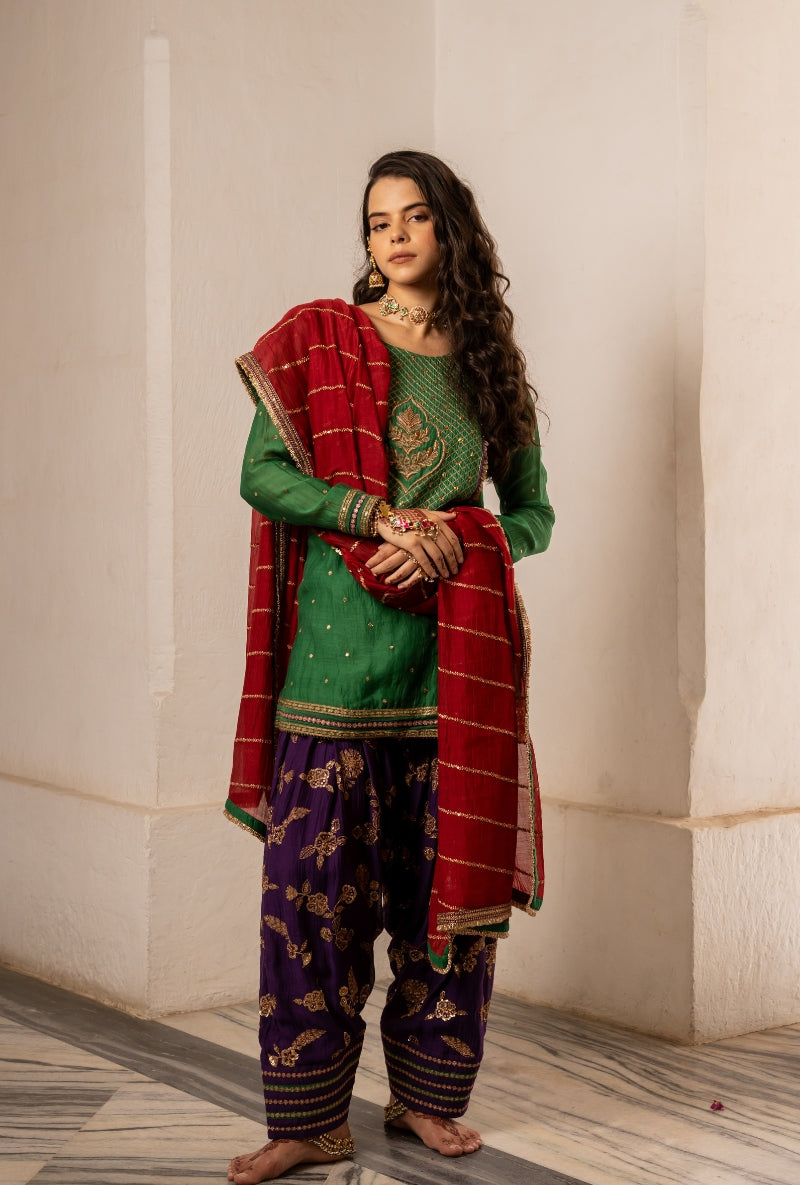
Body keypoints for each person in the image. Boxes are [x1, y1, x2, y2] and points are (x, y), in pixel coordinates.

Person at [225, 149, 554, 1184]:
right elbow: (261, 475)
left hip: (447, 685)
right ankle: (310, 1119)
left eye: (415, 217)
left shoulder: (486, 365)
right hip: (330, 678)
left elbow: (532, 514)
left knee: (438, 913)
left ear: (449, 231)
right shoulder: (317, 338)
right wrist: (370, 516)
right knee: (308, 905)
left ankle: (423, 1100)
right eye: (377, 222)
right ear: (364, 240)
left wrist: (460, 534)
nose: (395, 235)